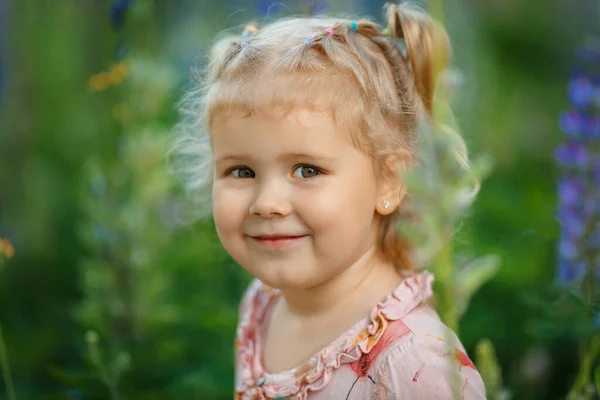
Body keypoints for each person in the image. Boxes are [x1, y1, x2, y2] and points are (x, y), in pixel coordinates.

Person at [172, 1, 487, 398]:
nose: (267, 203)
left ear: (390, 181)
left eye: (307, 170)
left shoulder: (415, 365)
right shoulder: (264, 303)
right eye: (242, 171)